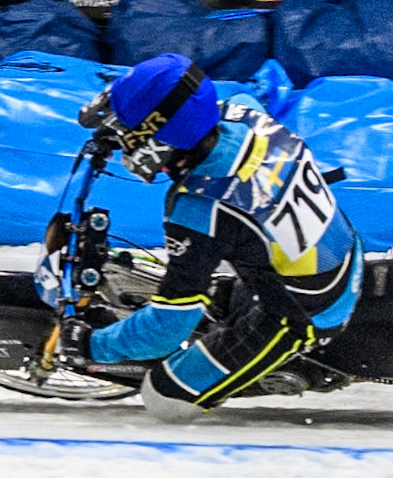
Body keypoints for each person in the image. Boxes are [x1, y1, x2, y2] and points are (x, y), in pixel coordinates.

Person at [58, 55, 361, 419]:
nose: (123, 139)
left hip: (306, 313)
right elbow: (183, 112)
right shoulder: (242, 113)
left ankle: (276, 360)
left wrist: (93, 346)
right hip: (334, 254)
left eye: (126, 130)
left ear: (155, 138)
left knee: (162, 401)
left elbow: (168, 330)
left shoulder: (200, 209)